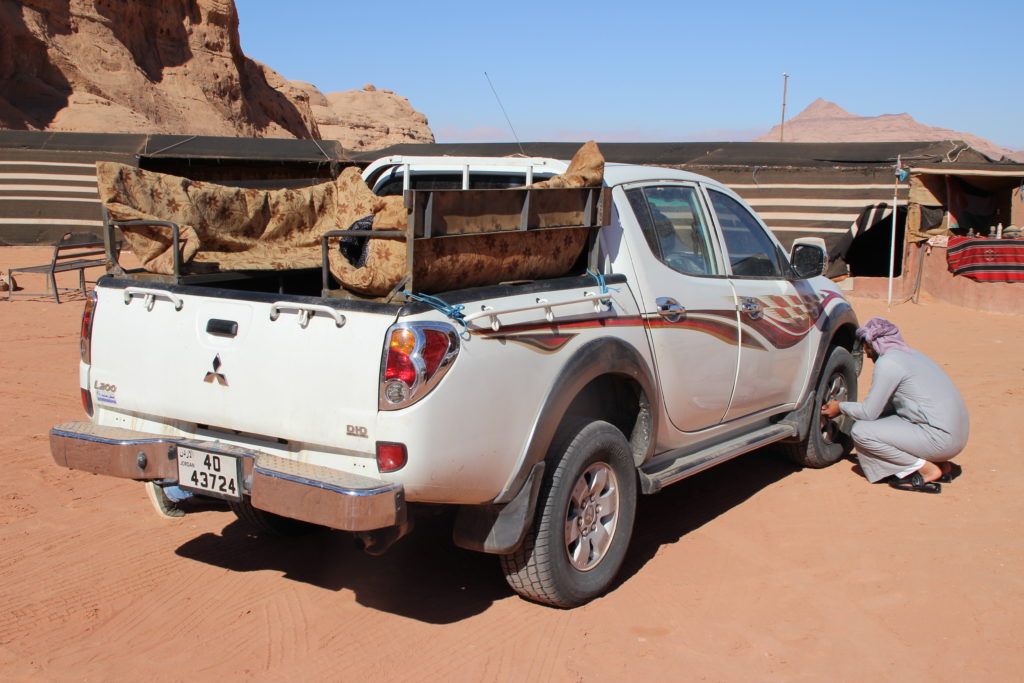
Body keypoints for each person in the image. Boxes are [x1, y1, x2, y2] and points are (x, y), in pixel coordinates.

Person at [821, 317, 969, 493]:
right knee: (881, 422)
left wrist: (841, 407)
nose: (867, 354)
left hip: (940, 439)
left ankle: (924, 469)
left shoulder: (888, 363)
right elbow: (887, 409)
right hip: (956, 436)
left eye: (866, 347)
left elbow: (869, 413)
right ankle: (941, 464)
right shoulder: (912, 355)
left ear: (874, 343)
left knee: (861, 431)